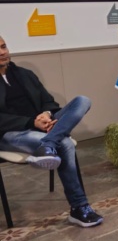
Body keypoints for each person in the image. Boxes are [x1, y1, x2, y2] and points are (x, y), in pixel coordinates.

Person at [0, 36, 103, 227]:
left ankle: (48, 144)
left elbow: (49, 102)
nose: (2, 52)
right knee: (64, 143)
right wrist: (32, 122)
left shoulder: (25, 74)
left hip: (42, 128)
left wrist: (46, 115)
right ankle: (79, 207)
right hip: (9, 135)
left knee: (82, 100)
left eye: (3, 46)